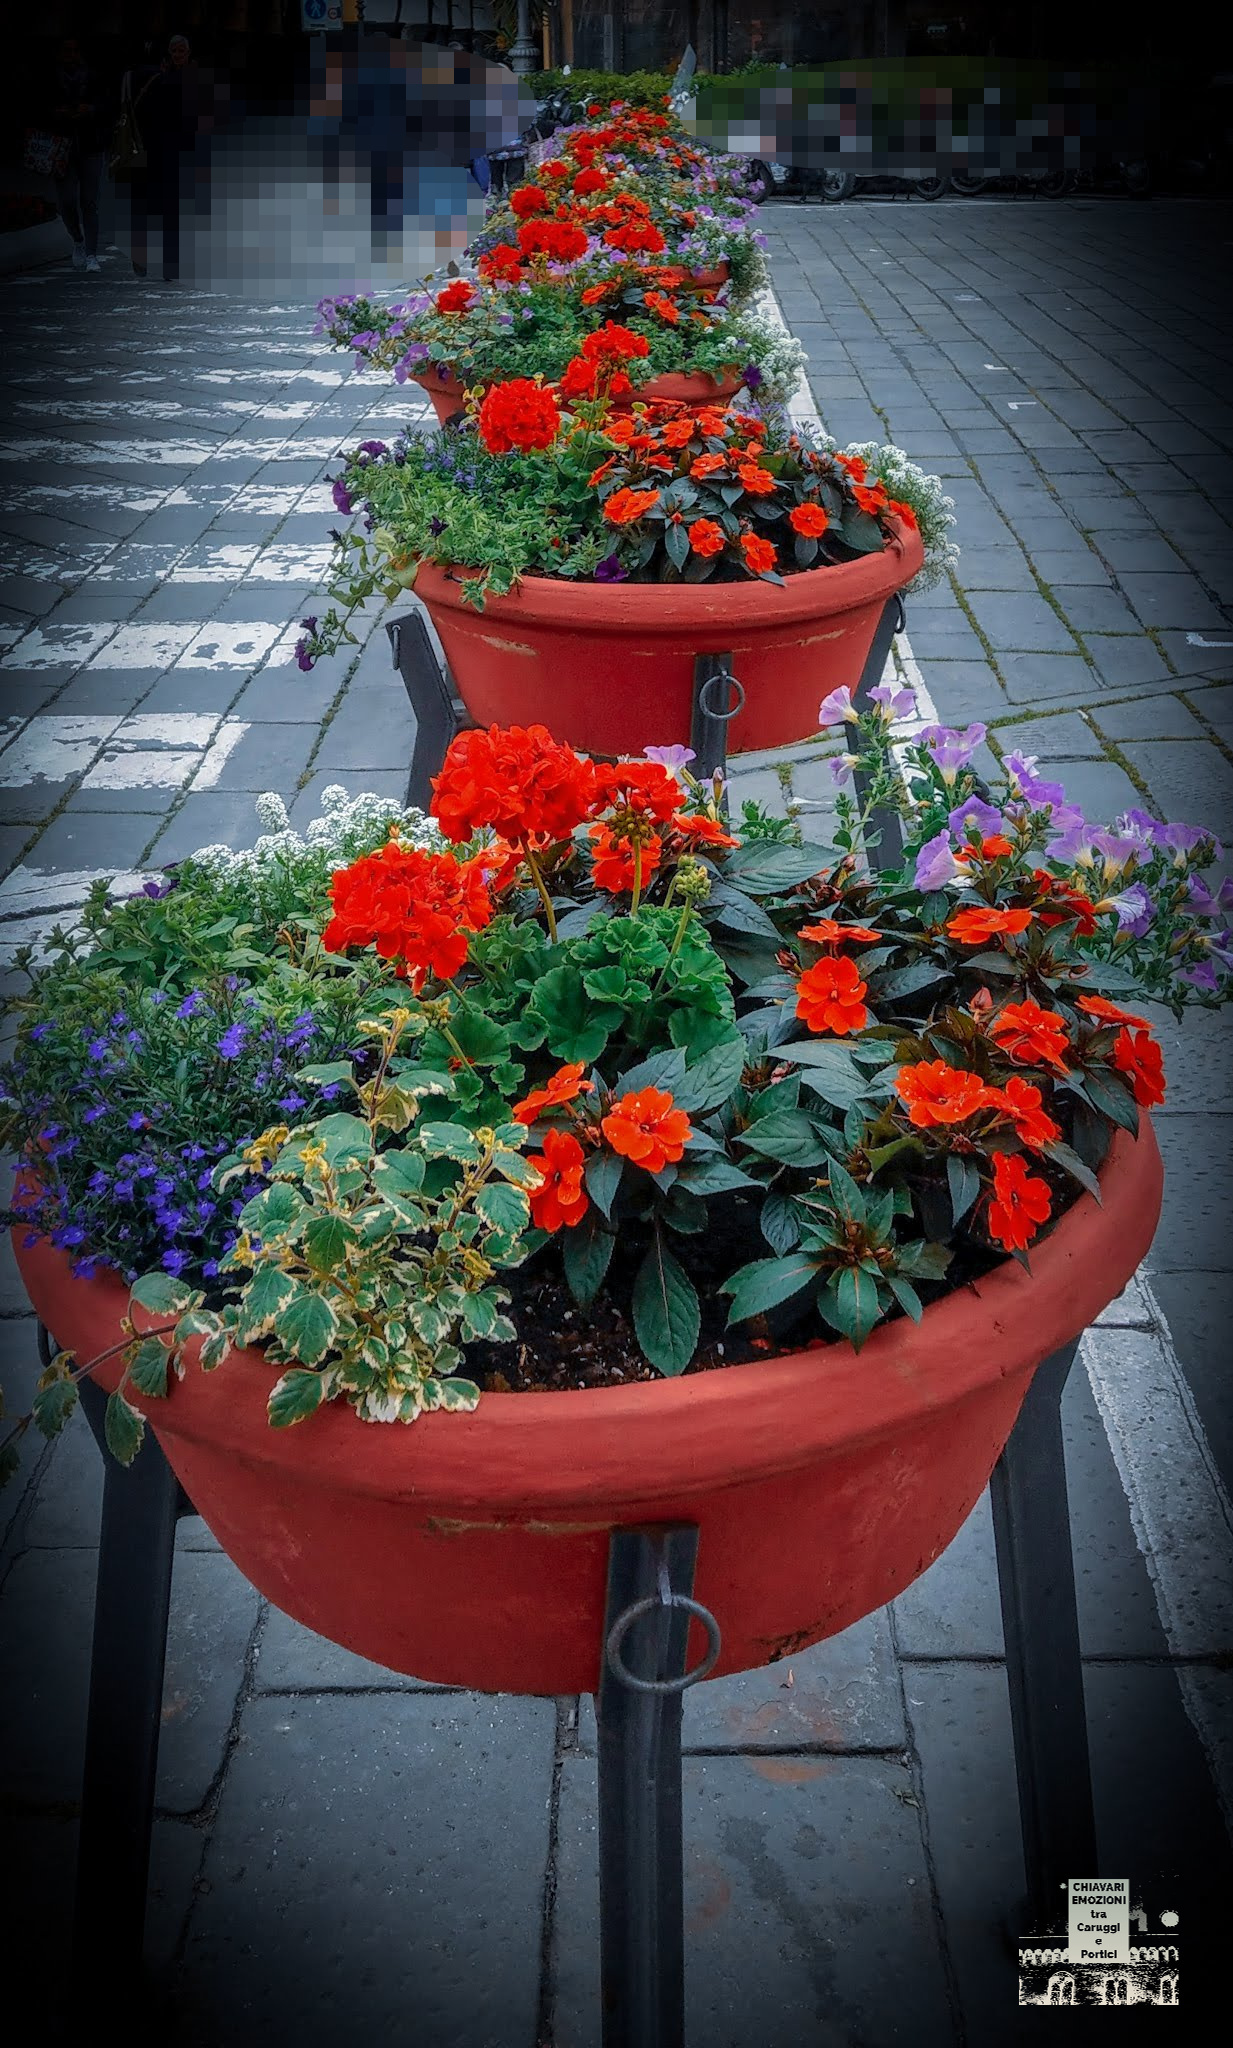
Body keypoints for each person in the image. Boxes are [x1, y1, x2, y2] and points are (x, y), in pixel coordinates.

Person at [41, 37, 112, 274]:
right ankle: (78, 239)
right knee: (66, 200)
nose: (70, 54)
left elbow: (106, 104)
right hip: (61, 145)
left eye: (74, 50)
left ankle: (92, 254)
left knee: (90, 202)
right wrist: (56, 114)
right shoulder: (50, 78)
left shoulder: (93, 77)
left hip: (90, 145)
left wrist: (90, 110)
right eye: (66, 50)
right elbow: (37, 105)